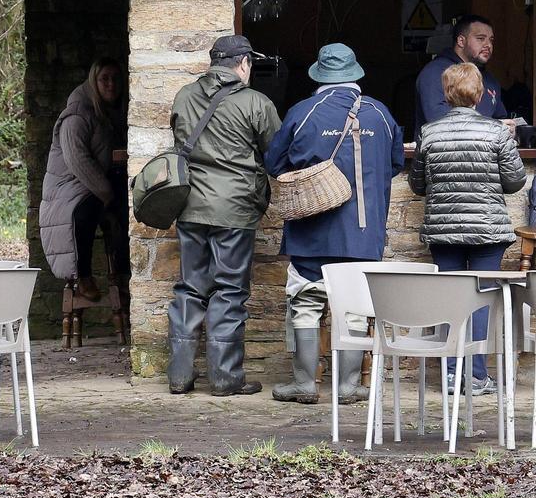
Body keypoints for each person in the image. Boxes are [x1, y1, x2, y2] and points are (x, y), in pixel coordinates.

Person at [265, 43, 405, 404]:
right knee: (354, 307)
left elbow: (274, 163)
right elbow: (395, 164)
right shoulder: (380, 114)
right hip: (363, 233)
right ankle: (347, 386)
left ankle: (304, 383)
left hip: (311, 230)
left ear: (320, 76)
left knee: (305, 303)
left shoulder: (302, 112)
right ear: (355, 74)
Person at [167, 35, 282, 397]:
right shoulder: (256, 102)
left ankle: (180, 376)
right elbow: (276, 153)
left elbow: (179, 140)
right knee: (229, 291)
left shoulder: (184, 96)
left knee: (190, 288)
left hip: (190, 205)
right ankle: (224, 378)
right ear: (244, 63)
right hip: (234, 210)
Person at [410, 63, 526, 396]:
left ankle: (450, 374)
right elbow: (515, 181)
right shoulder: (496, 132)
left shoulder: (429, 133)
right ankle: (475, 377)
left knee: (449, 298)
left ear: (447, 94)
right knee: (482, 299)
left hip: (443, 230)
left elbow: (418, 184)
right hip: (487, 229)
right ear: (478, 95)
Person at [39, 57, 127, 301]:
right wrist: (106, 192)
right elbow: (78, 161)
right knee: (85, 212)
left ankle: (124, 274)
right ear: (93, 82)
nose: (110, 84)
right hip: (69, 188)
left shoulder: (109, 113)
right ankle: (83, 275)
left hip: (93, 185)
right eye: (104, 79)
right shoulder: (77, 115)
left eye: (115, 78)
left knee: (128, 208)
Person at [414, 14, 513, 135]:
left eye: (491, 40)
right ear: (461, 41)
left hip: (486, 146)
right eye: (480, 38)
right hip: (443, 146)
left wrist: (508, 127)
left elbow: (500, 118)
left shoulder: (490, 80)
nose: (488, 45)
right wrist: (492, 127)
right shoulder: (435, 73)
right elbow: (438, 122)